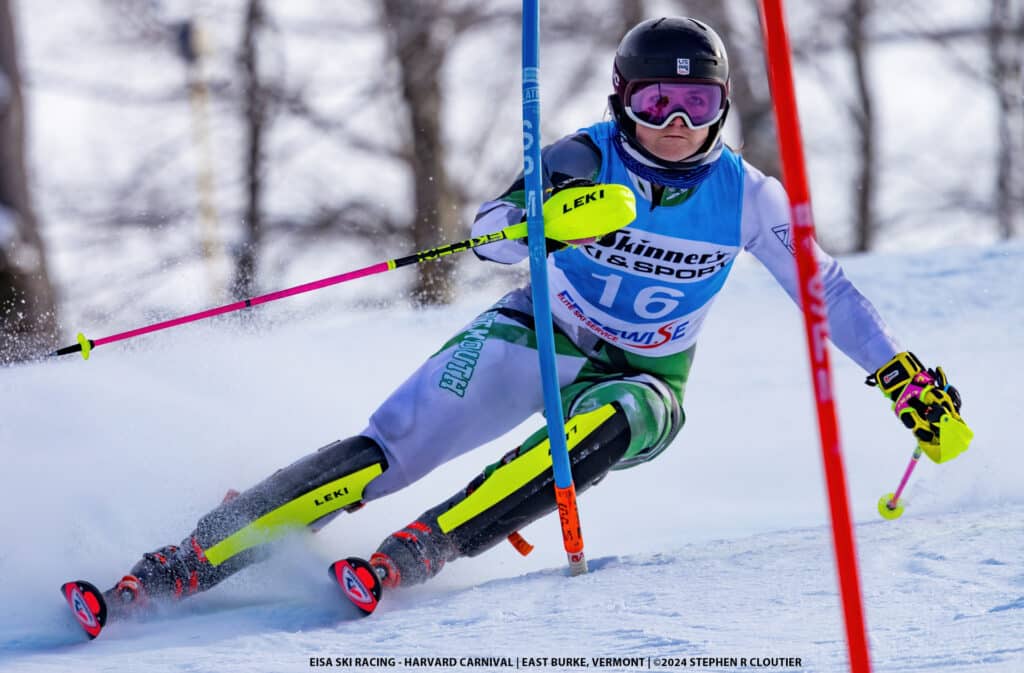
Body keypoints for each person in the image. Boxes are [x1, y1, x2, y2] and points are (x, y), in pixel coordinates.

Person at [101, 17, 969, 611]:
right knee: (390, 445)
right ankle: (189, 560)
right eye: (655, 103)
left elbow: (829, 294)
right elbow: (484, 241)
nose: (673, 123)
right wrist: (533, 219)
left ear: (722, 108)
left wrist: (901, 378)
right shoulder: (578, 158)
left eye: (696, 104)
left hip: (644, 378)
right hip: (536, 331)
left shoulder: (750, 198)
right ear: (620, 99)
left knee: (604, 421)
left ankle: (413, 554)